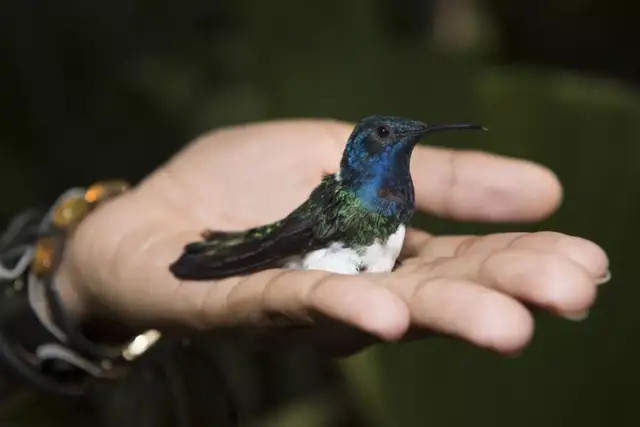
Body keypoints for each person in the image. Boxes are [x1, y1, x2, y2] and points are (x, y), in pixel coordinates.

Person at [0, 119, 610, 423]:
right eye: (389, 133)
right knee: (252, 247)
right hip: (309, 241)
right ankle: (216, 251)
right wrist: (82, 278)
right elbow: (290, 238)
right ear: (370, 147)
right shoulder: (346, 197)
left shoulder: (395, 190)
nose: (403, 137)